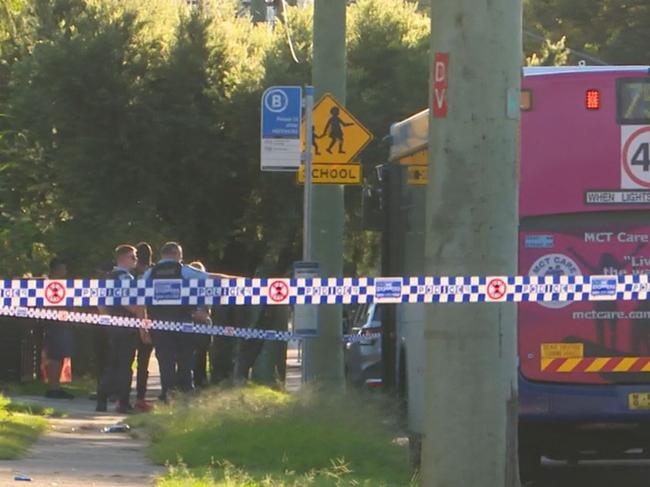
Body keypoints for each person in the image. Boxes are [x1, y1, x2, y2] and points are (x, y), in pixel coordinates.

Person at [143, 242, 236, 401]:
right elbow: (212, 278)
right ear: (177, 254)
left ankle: (168, 395)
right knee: (185, 360)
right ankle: (185, 395)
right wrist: (242, 281)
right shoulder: (183, 270)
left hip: (159, 325)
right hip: (182, 323)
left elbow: (141, 300)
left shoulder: (149, 274)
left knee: (165, 362)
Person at [96, 245, 147, 413]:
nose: (136, 260)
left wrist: (107, 321)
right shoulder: (126, 278)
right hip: (126, 325)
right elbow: (129, 302)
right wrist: (139, 319)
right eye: (133, 257)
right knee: (125, 365)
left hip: (112, 325)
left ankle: (101, 400)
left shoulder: (108, 277)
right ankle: (123, 402)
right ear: (123, 258)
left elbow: (101, 303)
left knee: (111, 364)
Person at [43, 258, 74, 399]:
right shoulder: (50, 285)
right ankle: (53, 388)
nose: (65, 272)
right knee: (55, 356)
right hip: (55, 325)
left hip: (64, 324)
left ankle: (57, 386)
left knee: (61, 356)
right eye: (63, 269)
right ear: (55, 270)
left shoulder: (63, 285)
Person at [133, 242, 154, 412]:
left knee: (125, 361)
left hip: (129, 321)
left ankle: (120, 395)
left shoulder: (131, 275)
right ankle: (140, 396)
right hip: (151, 319)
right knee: (143, 362)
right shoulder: (153, 274)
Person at [188, 261, 212, 388]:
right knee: (193, 355)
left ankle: (200, 380)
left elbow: (207, 309)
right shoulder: (188, 291)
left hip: (203, 326)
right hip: (192, 325)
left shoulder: (205, 291)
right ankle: (195, 381)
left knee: (201, 354)